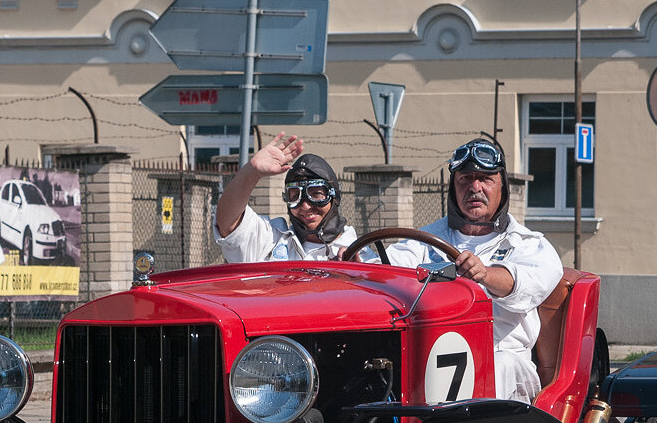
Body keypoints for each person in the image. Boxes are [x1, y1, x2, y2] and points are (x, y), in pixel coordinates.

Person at [388, 137, 563, 403]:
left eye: (485, 179)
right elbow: (388, 265)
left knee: (498, 365)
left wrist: (486, 274)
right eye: (465, 179)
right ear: (454, 186)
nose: (474, 187)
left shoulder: (528, 244)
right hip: (430, 355)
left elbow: (524, 284)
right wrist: (357, 262)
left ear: (502, 186)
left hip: (505, 360)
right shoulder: (425, 239)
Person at [213, 133, 358, 262]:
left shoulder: (360, 254)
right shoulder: (271, 240)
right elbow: (228, 225)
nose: (305, 206)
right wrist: (252, 171)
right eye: (295, 196)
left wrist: (355, 273)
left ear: (334, 196)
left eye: (316, 194)